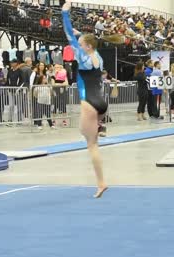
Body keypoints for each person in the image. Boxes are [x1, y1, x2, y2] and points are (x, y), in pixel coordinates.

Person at [62, 0, 108, 198]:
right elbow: (81, 39)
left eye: (80, 45)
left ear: (86, 46)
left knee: (91, 145)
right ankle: (100, 125)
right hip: (101, 102)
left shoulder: (82, 56)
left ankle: (101, 183)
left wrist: (65, 13)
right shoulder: (97, 55)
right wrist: (79, 35)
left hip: (89, 102)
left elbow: (67, 34)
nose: (77, 46)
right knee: (86, 133)